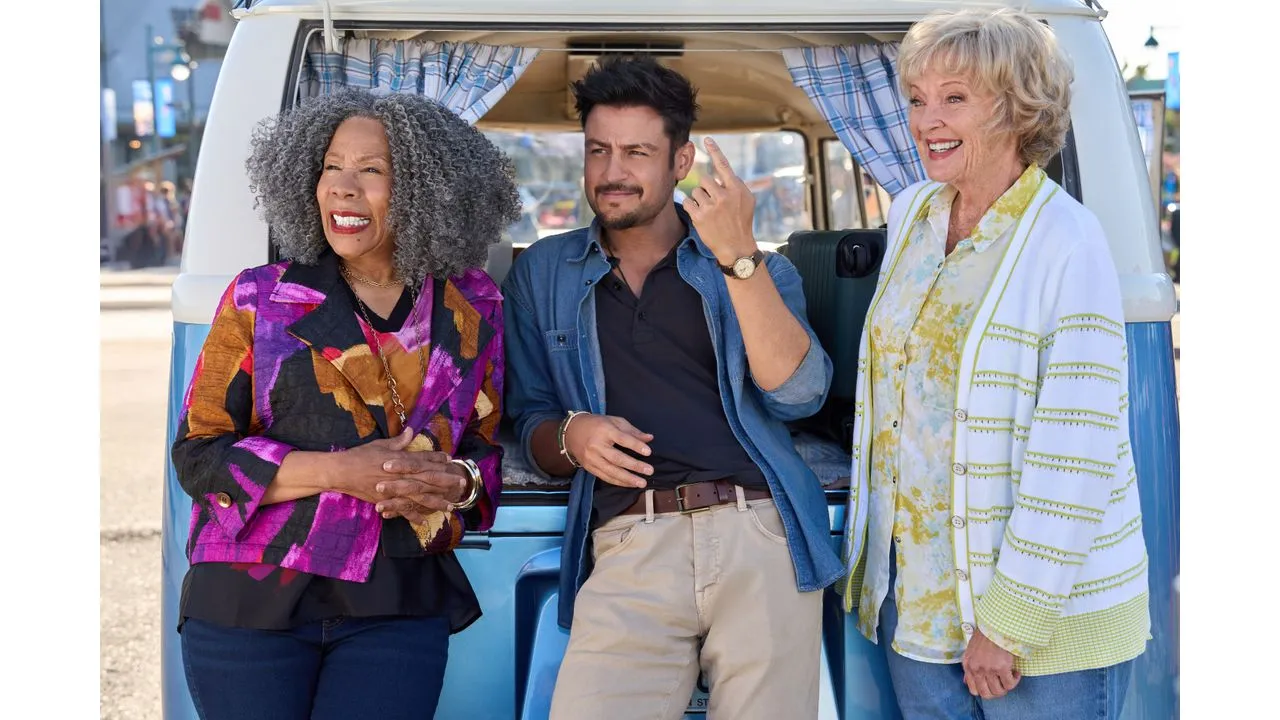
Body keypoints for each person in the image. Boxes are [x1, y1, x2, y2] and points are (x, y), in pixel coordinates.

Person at [502, 55, 841, 719]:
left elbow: (798, 397)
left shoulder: (753, 267)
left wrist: (738, 260)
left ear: (680, 163)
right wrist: (572, 436)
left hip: (761, 534)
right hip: (629, 542)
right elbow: (529, 420)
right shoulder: (543, 273)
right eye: (598, 150)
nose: (612, 172)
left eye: (636, 152)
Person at [837, 9, 1150, 719]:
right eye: (916, 99)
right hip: (917, 608)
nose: (926, 120)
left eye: (954, 98)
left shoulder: (1068, 240)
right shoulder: (912, 214)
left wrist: (1007, 623)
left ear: (1016, 109)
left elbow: (1077, 447)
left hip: (1035, 623)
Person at [171, 87, 520, 720]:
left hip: (398, 599)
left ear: (427, 191)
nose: (342, 187)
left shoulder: (474, 307)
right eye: (331, 167)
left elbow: (482, 457)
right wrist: (340, 473)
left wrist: (458, 481)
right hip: (252, 601)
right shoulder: (259, 298)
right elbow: (200, 457)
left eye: (372, 170)